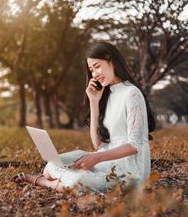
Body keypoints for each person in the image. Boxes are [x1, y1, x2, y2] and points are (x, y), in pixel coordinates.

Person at [12, 42, 155, 192]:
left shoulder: (131, 93)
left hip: (128, 168)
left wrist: (96, 158)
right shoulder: (108, 94)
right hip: (105, 159)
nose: (94, 74)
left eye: (97, 66)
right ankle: (66, 178)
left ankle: (44, 182)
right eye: (91, 70)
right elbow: (98, 145)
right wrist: (94, 102)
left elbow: (135, 146)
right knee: (51, 166)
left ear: (112, 62)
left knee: (76, 183)